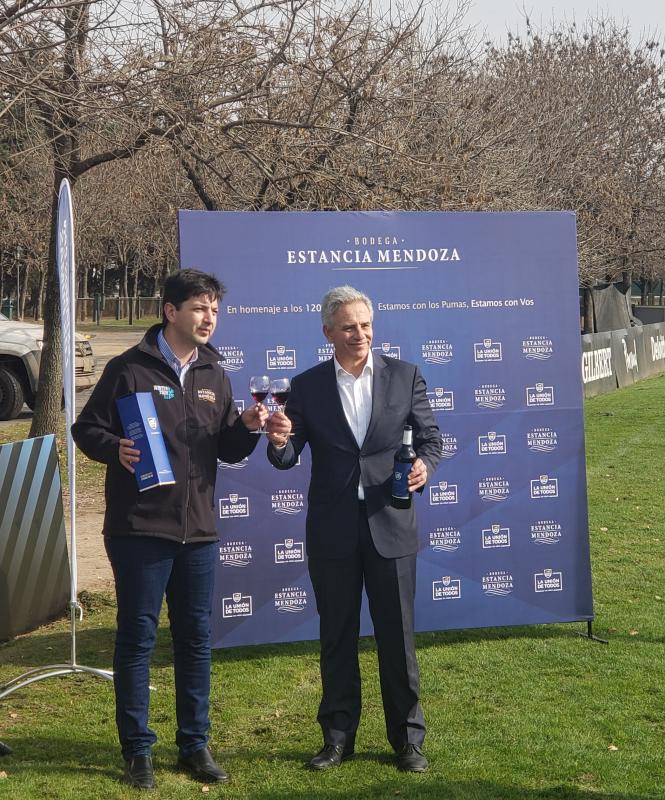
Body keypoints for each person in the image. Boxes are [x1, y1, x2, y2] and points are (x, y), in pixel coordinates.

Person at [72, 269, 267, 790]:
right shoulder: (127, 368)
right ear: (171, 311)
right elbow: (85, 429)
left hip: (199, 531)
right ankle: (138, 750)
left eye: (215, 310)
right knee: (137, 639)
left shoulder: (216, 373)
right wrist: (116, 449)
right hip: (140, 529)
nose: (210, 318)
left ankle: (194, 745)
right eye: (201, 308)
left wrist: (246, 429)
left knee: (195, 640)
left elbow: (225, 449)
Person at [266, 285, 441, 773]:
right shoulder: (306, 386)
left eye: (365, 325)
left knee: (398, 639)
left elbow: (430, 437)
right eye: (348, 327)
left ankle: (407, 740)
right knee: (337, 637)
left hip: (392, 526)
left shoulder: (405, 376)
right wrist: (277, 440)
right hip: (333, 530)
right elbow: (285, 456)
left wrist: (425, 464)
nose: (360, 334)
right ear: (328, 333)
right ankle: (337, 737)